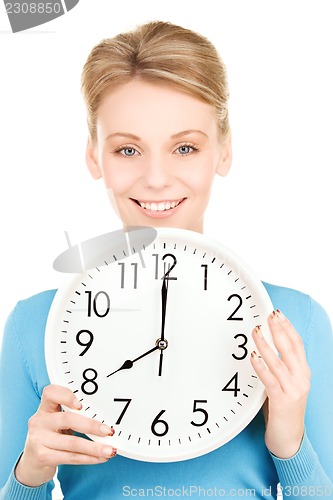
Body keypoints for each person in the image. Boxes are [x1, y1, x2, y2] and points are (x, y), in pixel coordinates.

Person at [0, 20, 332, 500]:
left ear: (223, 149)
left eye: (184, 147)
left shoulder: (296, 323)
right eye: (128, 149)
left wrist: (289, 445)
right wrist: (29, 475)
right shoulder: (36, 326)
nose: (156, 178)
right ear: (95, 155)